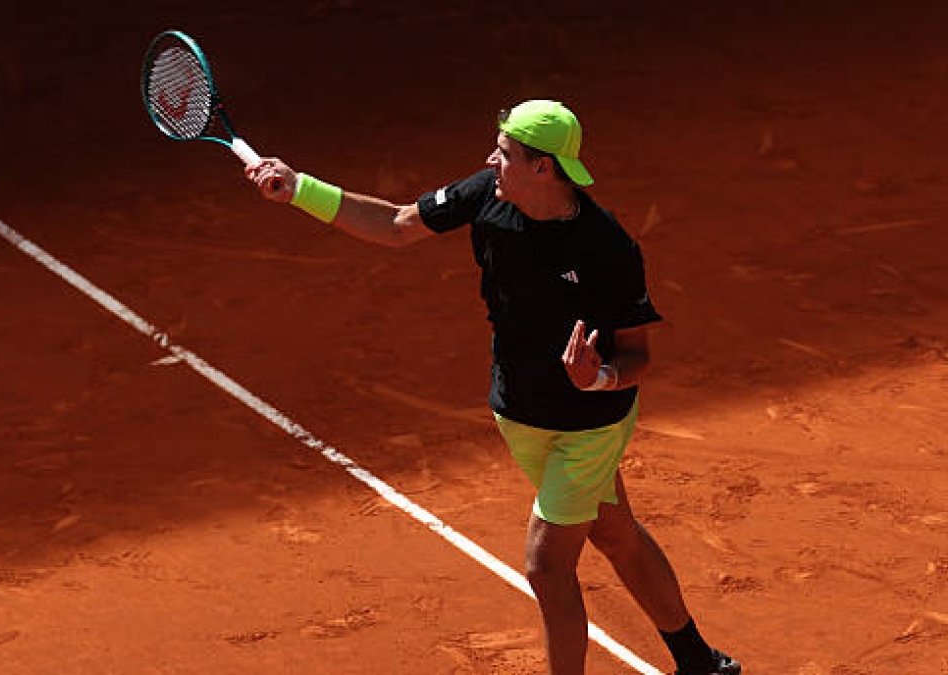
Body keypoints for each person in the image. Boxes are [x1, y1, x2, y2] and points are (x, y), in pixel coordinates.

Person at [245, 100, 740, 675]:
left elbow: (636, 357)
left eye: (503, 154)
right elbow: (399, 224)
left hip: (587, 426)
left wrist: (597, 376)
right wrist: (299, 187)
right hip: (521, 411)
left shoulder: (606, 249)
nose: (489, 160)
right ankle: (700, 662)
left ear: (543, 168)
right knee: (615, 532)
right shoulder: (487, 193)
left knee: (546, 566)